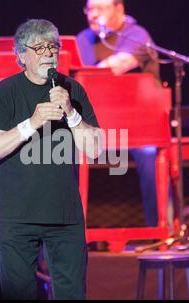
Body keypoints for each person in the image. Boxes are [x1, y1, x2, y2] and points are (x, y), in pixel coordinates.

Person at [0, 19, 102, 300]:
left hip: (65, 215)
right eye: (39, 47)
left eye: (53, 46)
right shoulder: (4, 92)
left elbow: (95, 149)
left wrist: (72, 113)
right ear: (21, 56)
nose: (49, 53)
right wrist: (31, 123)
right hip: (16, 217)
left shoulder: (73, 90)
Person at [77, 0, 161, 227]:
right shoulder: (83, 38)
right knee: (53, 151)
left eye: (100, 9)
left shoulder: (137, 35)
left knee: (149, 153)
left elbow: (114, 66)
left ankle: (159, 229)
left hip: (139, 125)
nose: (93, 15)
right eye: (89, 9)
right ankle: (65, 234)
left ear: (119, 9)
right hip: (97, 122)